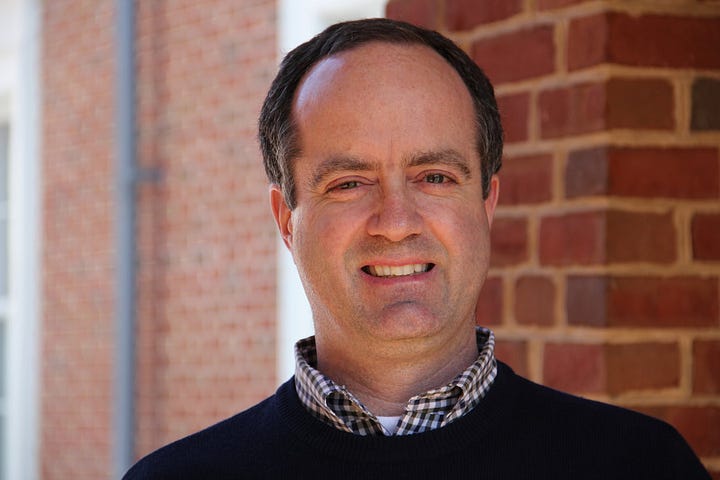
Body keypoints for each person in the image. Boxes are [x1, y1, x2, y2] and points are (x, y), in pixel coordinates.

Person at [124, 18, 709, 479]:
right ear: (287, 220)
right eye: (349, 183)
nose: (396, 223)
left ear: (486, 203)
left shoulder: (640, 465)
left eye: (434, 177)